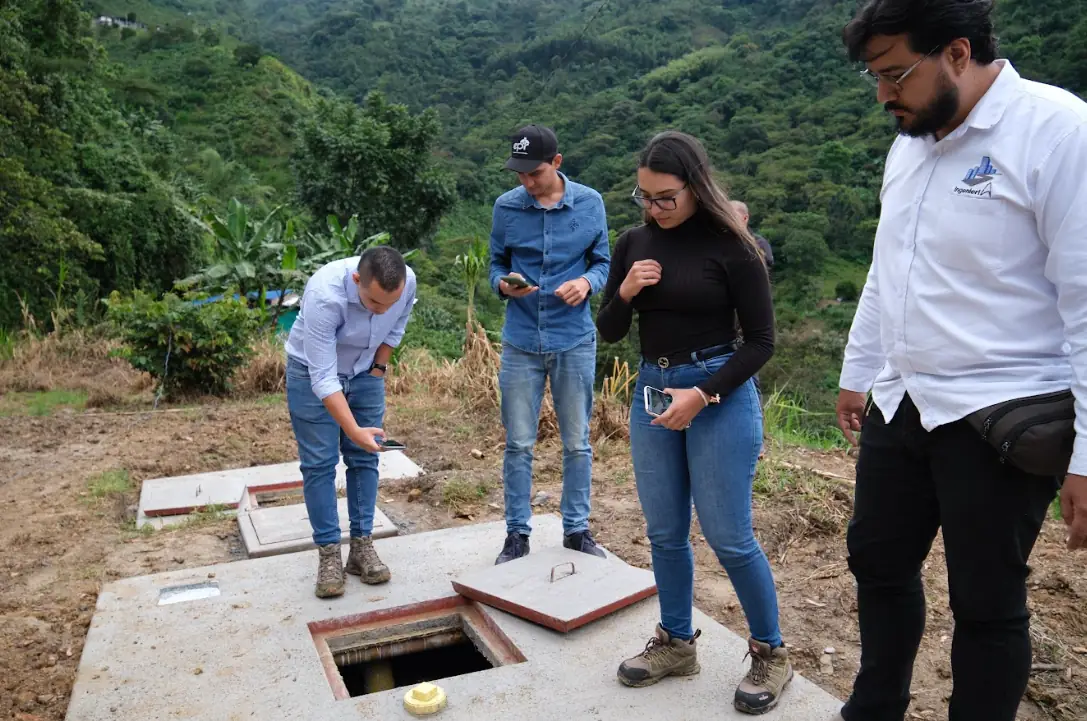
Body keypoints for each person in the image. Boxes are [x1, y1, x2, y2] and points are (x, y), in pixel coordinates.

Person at [835, 2, 1087, 720]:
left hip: (999, 414)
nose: (883, 95)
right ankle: (874, 706)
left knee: (985, 600)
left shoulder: (1057, 132)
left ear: (956, 52)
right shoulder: (911, 141)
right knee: (877, 562)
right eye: (874, 77)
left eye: (895, 74)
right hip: (903, 399)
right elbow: (887, 268)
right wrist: (858, 372)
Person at [596, 130, 792, 715]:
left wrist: (703, 395)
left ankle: (771, 654)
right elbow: (609, 330)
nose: (654, 208)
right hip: (653, 392)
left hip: (718, 393)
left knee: (730, 536)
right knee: (664, 532)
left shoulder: (733, 246)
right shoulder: (633, 242)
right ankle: (677, 644)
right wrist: (625, 290)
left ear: (695, 187)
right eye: (645, 196)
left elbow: (761, 342)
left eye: (667, 198)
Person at [488, 123, 612, 564]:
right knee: (519, 443)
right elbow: (496, 263)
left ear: (556, 163)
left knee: (576, 442)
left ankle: (576, 529)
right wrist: (503, 285)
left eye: (534, 172)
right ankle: (516, 534)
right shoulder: (506, 207)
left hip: (573, 339)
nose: (526, 181)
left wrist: (587, 282)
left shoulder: (591, 203)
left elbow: (603, 262)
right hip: (521, 340)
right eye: (519, 173)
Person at [284, 246, 416, 598]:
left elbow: (397, 326)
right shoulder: (324, 295)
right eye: (373, 302)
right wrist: (353, 430)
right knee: (319, 464)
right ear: (357, 279)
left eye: (389, 303)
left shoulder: (407, 282)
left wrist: (378, 368)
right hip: (311, 375)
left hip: (365, 372)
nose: (381, 310)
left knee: (366, 458)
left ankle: (361, 547)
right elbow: (323, 379)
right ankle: (329, 554)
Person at [731, 200, 774, 274]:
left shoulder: (759, 242)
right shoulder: (718, 242)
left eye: (732, 216)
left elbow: (768, 265)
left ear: (745, 218)